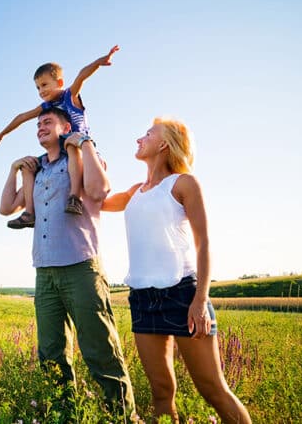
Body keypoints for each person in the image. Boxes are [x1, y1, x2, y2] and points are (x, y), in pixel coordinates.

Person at [102, 117, 252, 424]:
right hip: (143, 298)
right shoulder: (135, 192)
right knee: (160, 391)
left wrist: (200, 300)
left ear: (163, 144)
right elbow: (97, 201)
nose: (138, 139)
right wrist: (87, 158)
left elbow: (204, 243)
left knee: (212, 389)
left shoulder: (183, 183)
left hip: (183, 294)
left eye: (147, 134)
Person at [0, 107, 135, 420]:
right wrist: (14, 169)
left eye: (47, 122)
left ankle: (122, 417)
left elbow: (100, 191)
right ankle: (63, 416)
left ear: (65, 126)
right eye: (37, 125)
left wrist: (84, 142)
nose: (39, 128)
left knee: (100, 350)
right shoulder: (39, 170)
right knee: (51, 355)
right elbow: (6, 207)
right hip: (44, 272)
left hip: (81, 267)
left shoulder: (81, 157)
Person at [0, 45, 120, 229]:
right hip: (58, 152)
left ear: (59, 82)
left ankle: (74, 196)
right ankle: (29, 213)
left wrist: (99, 62)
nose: (41, 91)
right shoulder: (46, 106)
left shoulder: (69, 96)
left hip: (78, 145)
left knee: (70, 145)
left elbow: (81, 75)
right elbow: (22, 116)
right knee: (29, 166)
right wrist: (3, 133)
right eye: (37, 88)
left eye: (44, 85)